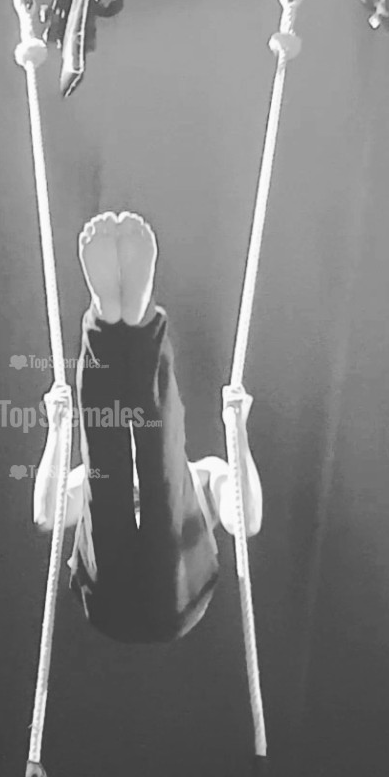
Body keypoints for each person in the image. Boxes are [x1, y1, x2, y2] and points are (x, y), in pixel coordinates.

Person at [33, 211, 262, 643]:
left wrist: (238, 433)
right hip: (112, 598)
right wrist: (59, 432)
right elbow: (48, 515)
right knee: (110, 463)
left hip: (173, 595)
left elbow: (246, 522)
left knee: (145, 466)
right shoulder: (203, 475)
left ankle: (112, 323)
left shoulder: (201, 477)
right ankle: (126, 320)